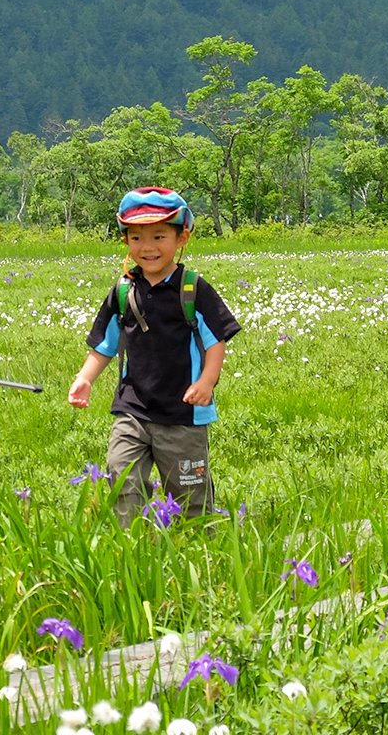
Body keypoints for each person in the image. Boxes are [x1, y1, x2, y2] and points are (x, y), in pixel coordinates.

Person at [67, 188, 240, 525]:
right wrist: (85, 378)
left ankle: (196, 549)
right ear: (126, 241)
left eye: (159, 236)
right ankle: (132, 544)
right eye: (136, 237)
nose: (147, 247)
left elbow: (216, 341)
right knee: (122, 477)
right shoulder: (123, 290)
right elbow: (105, 344)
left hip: (184, 415)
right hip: (133, 409)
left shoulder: (193, 289)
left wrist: (207, 381)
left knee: (190, 497)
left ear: (182, 238)